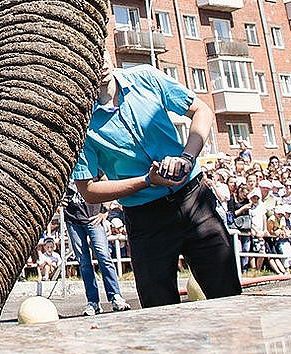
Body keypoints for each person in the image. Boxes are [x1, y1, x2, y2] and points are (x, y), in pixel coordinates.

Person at [72, 53, 241, 307]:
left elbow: (201, 110)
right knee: (158, 309)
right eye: (89, 59)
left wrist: (187, 157)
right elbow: (89, 190)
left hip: (194, 200)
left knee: (228, 296)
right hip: (146, 218)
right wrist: (147, 181)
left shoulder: (146, 77)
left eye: (101, 52)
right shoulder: (82, 122)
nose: (100, 62)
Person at [61, 183, 130, 315]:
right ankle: (93, 302)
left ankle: (115, 296)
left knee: (104, 256)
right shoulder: (66, 170)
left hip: (93, 219)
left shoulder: (92, 166)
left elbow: (107, 184)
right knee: (84, 262)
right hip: (73, 220)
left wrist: (105, 211)